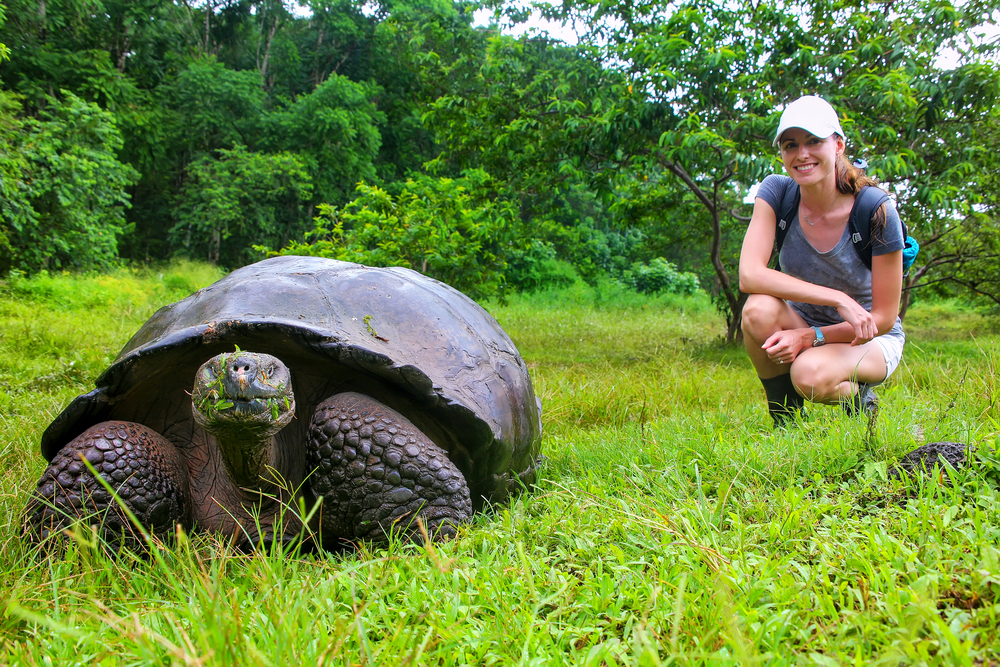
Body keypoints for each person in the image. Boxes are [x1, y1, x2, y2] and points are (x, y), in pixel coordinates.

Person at [738, 95, 905, 427]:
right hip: (805, 320)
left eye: (813, 141)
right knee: (756, 310)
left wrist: (810, 337)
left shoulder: (875, 209)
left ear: (838, 144)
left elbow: (883, 319)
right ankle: (786, 421)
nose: (802, 154)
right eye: (790, 145)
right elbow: (749, 275)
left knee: (808, 374)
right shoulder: (777, 193)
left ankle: (859, 403)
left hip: (868, 338)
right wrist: (838, 298)